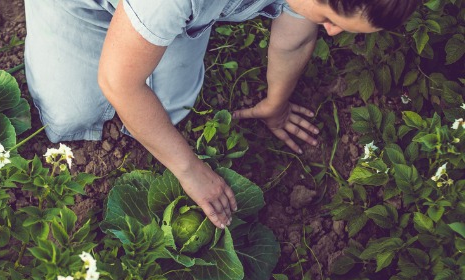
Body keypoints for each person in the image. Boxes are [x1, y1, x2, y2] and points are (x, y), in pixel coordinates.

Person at [24, 0, 419, 229]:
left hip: (181, 15)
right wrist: (189, 170)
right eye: (329, 19)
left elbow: (295, 37)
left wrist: (275, 105)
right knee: (71, 119)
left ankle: (145, 34)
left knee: (170, 110)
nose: (331, 33)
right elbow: (120, 83)